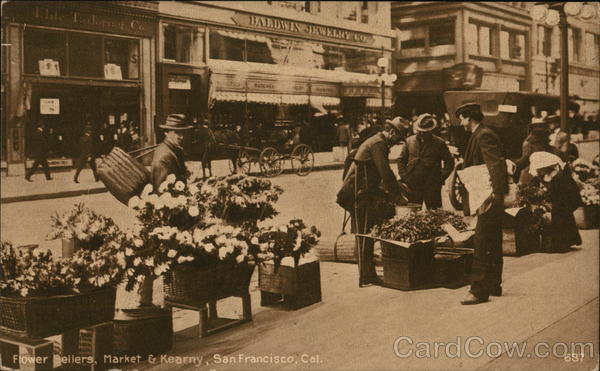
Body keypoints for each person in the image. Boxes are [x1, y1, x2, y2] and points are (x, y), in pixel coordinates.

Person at [337, 119, 407, 285]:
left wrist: (398, 187)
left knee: (365, 233)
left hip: (364, 191)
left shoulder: (377, 141)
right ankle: (366, 275)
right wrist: (398, 196)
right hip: (360, 194)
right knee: (364, 234)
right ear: (392, 132)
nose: (396, 143)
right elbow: (385, 172)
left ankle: (367, 272)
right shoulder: (378, 144)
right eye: (397, 138)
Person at [456, 102, 508, 305]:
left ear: (469, 117)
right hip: (489, 195)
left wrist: (496, 194)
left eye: (462, 118)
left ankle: (478, 290)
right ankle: (494, 284)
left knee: (482, 241)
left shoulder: (482, 135)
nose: (461, 122)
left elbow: (495, 164)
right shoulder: (481, 133)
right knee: (493, 241)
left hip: (488, 197)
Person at [397, 114, 454, 209]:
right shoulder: (409, 141)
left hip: (432, 185)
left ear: (431, 130)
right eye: (420, 131)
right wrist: (404, 176)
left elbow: (449, 162)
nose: (422, 134)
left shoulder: (439, 143)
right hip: (412, 183)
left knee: (434, 214)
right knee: (412, 214)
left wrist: (440, 177)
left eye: (425, 132)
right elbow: (401, 160)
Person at [529, 152, 582, 252]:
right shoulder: (553, 175)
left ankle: (560, 243)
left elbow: (564, 194)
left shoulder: (559, 177)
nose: (538, 172)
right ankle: (565, 241)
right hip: (562, 202)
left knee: (560, 218)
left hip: (564, 201)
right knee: (563, 218)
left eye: (540, 169)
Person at [151, 114, 192, 191]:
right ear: (166, 132)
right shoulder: (163, 155)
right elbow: (161, 190)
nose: (181, 137)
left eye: (182, 132)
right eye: (177, 132)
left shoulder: (176, 150)